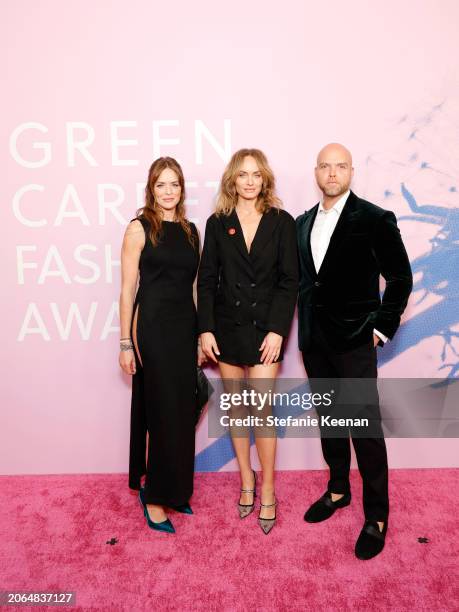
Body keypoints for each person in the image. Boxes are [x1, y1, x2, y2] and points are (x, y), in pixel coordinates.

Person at [296, 143, 413, 559]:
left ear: (350, 171)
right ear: (316, 171)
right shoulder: (302, 222)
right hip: (315, 343)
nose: (332, 173)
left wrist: (381, 328)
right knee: (330, 422)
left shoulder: (374, 218)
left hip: (356, 342)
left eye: (339, 166)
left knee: (364, 428)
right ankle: (338, 489)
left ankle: (377, 516)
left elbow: (400, 278)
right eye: (325, 166)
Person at [198, 148, 298, 534]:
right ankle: (246, 480)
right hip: (226, 329)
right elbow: (207, 281)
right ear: (232, 181)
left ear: (265, 179)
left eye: (256, 174)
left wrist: (277, 331)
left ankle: (269, 488)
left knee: (261, 411)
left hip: (265, 331)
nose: (250, 181)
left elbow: (290, 281)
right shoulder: (218, 221)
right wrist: (205, 329)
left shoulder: (282, 222)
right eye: (243, 175)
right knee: (237, 410)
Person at [119, 157, 202, 534]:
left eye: (174, 184)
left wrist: (201, 335)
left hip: (184, 330)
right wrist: (125, 343)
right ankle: (153, 497)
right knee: (160, 412)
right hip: (151, 329)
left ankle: (176, 490)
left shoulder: (191, 231)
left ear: (182, 189)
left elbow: (195, 288)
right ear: (150, 189)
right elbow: (126, 291)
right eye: (160, 185)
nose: (168, 191)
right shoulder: (139, 229)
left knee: (182, 413)